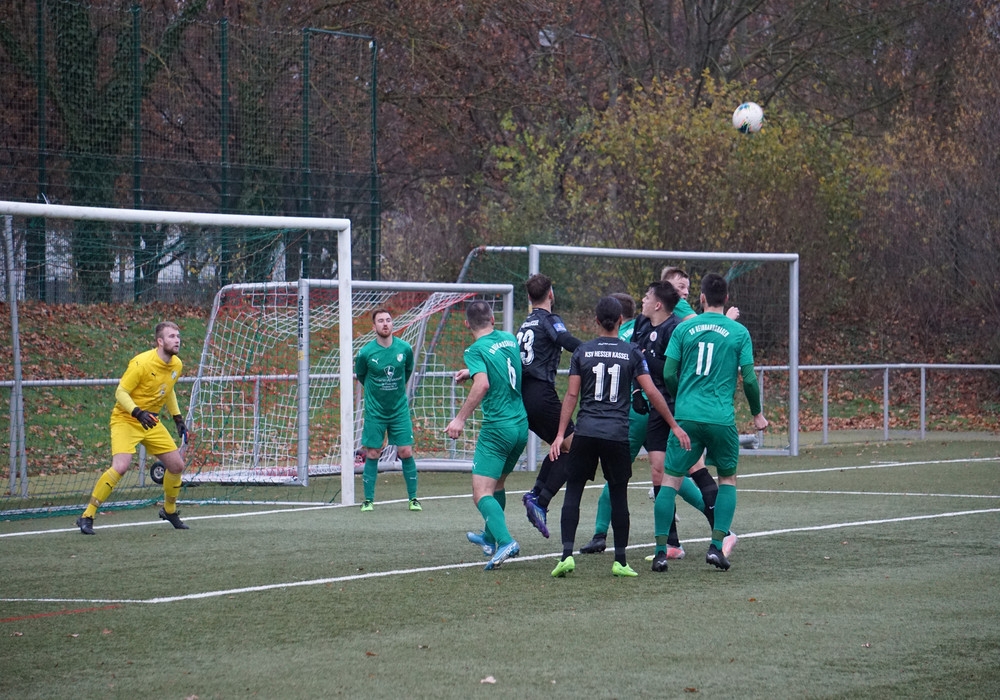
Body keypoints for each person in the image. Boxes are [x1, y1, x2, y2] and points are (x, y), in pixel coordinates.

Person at [548, 296, 690, 578]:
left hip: (586, 431)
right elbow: (651, 391)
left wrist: (560, 434)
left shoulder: (582, 352)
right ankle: (620, 561)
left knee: (573, 490)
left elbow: (572, 395)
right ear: (621, 320)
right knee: (618, 494)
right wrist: (673, 424)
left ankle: (566, 556)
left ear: (596, 321)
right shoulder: (632, 352)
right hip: (616, 434)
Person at [652, 273, 769, 572]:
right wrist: (757, 413)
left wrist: (682, 397)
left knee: (670, 480)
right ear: (726, 299)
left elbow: (668, 373)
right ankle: (716, 546)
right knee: (727, 479)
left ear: (701, 298)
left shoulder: (684, 328)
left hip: (686, 417)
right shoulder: (739, 332)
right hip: (721, 419)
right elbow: (750, 379)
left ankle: (661, 552)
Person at [76, 321, 191, 534]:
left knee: (176, 466)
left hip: (150, 421)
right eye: (172, 336)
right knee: (120, 466)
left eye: (178, 336)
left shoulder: (176, 364)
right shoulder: (141, 363)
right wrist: (137, 412)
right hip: (126, 419)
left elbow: (168, 390)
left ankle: (169, 511)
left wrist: (178, 418)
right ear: (160, 341)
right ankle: (87, 515)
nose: (177, 340)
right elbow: (120, 392)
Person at [447, 300, 529, 571]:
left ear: (466, 324)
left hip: (498, 428)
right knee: (497, 485)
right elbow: (502, 366)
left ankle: (505, 541)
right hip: (520, 425)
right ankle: (490, 537)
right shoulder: (509, 339)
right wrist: (471, 371)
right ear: (493, 319)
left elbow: (483, 384)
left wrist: (459, 419)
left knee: (481, 492)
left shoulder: (474, 349)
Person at [516, 274, 582, 538]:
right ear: (551, 293)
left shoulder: (524, 324)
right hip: (541, 393)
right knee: (574, 448)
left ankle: (536, 494)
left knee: (563, 445)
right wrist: (592, 350)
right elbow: (565, 340)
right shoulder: (549, 320)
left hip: (524, 395)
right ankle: (540, 501)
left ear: (528, 297)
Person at [354, 309, 420, 512]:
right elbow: (361, 375)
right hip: (375, 411)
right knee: (373, 453)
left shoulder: (404, 348)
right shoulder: (366, 353)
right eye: (381, 321)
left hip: (399, 410)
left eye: (388, 320)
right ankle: (368, 500)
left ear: (392, 324)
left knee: (405, 451)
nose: (385, 324)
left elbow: (407, 371)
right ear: (374, 326)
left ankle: (413, 499)